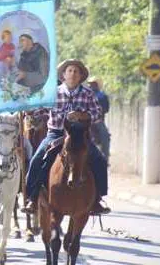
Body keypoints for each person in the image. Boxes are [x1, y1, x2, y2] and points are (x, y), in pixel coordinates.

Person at [22, 59, 111, 215]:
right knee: (37, 159)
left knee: (99, 160)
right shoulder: (53, 93)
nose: (73, 74)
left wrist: (82, 115)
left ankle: (97, 199)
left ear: (81, 76)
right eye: (69, 71)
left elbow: (97, 115)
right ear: (63, 75)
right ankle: (32, 198)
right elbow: (41, 111)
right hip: (55, 134)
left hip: (81, 136)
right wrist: (29, 111)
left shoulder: (88, 94)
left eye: (76, 71)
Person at [88, 77, 111, 161]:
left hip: (98, 120)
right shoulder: (85, 94)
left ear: (97, 85)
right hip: (86, 120)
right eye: (90, 84)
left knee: (105, 136)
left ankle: (105, 158)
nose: (91, 85)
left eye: (93, 84)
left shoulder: (102, 96)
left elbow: (106, 109)